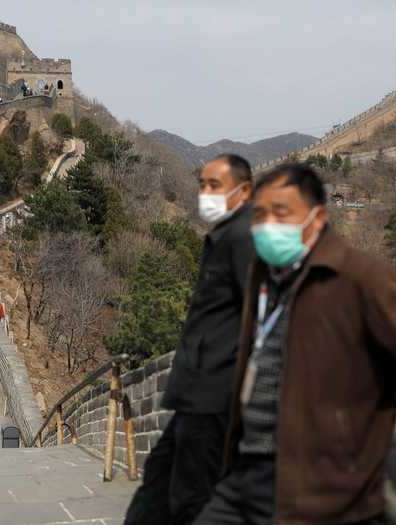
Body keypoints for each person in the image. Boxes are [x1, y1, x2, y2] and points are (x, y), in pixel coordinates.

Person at [193, 163, 396, 525]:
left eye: (282, 213)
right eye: (260, 214)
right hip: (247, 474)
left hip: (321, 489)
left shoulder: (358, 276)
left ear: (317, 217)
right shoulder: (265, 276)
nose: (268, 226)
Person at [124, 154, 254, 525]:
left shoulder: (245, 237)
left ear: (244, 192)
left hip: (217, 394)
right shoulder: (224, 237)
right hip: (195, 395)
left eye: (216, 186)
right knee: (156, 492)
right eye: (202, 185)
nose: (205, 193)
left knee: (192, 500)